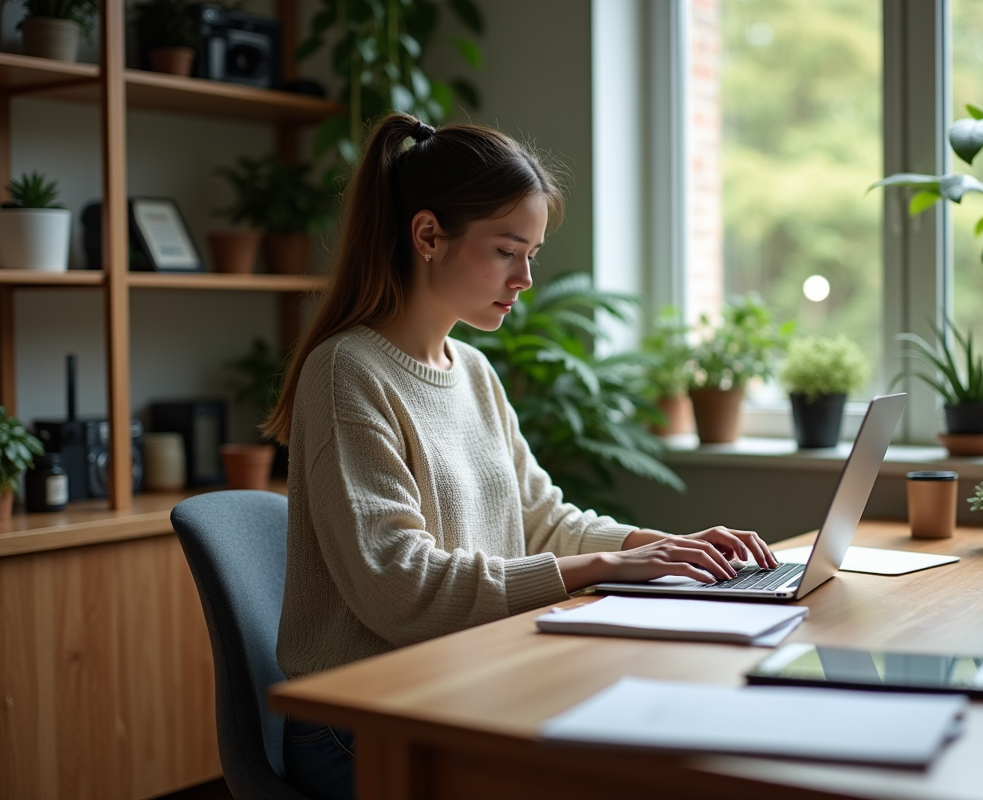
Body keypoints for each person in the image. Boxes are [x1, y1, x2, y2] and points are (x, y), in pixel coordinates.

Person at [261, 112, 778, 800]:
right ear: (427, 236)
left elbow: (542, 519)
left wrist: (659, 546)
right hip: (366, 723)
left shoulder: (472, 370)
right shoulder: (346, 373)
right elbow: (398, 584)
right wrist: (605, 565)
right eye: (508, 250)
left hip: (463, 679)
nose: (526, 277)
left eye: (531, 253)